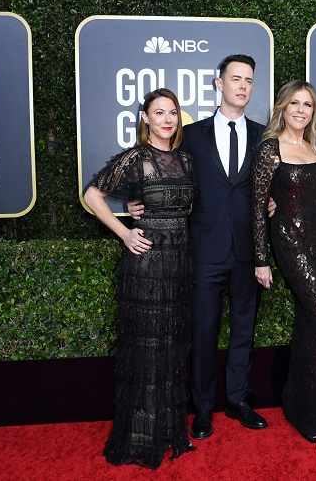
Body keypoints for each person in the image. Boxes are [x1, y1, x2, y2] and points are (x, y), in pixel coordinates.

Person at [128, 54, 268, 439]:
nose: (242, 86)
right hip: (204, 251)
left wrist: (274, 202)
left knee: (244, 330)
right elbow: (161, 171)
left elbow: (273, 184)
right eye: (235, 78)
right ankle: (203, 408)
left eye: (249, 80)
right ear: (218, 83)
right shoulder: (190, 135)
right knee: (203, 332)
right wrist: (136, 199)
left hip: (249, 252)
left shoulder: (264, 136)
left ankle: (238, 400)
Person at [84, 88, 195, 468]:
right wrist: (125, 232)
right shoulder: (136, 158)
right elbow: (92, 195)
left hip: (179, 264)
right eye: (158, 112)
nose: (167, 119)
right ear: (145, 118)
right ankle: (140, 436)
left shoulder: (185, 159)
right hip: (147, 267)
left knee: (172, 347)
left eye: (172, 113)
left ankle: (168, 430)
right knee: (146, 349)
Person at [252, 80, 316, 443]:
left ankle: (301, 402)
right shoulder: (269, 148)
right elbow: (257, 207)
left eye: (307, 105)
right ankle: (309, 410)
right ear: (282, 108)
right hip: (290, 241)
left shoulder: (315, 145)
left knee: (313, 320)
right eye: (294, 103)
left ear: (313, 111)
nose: (301, 110)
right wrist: (261, 258)